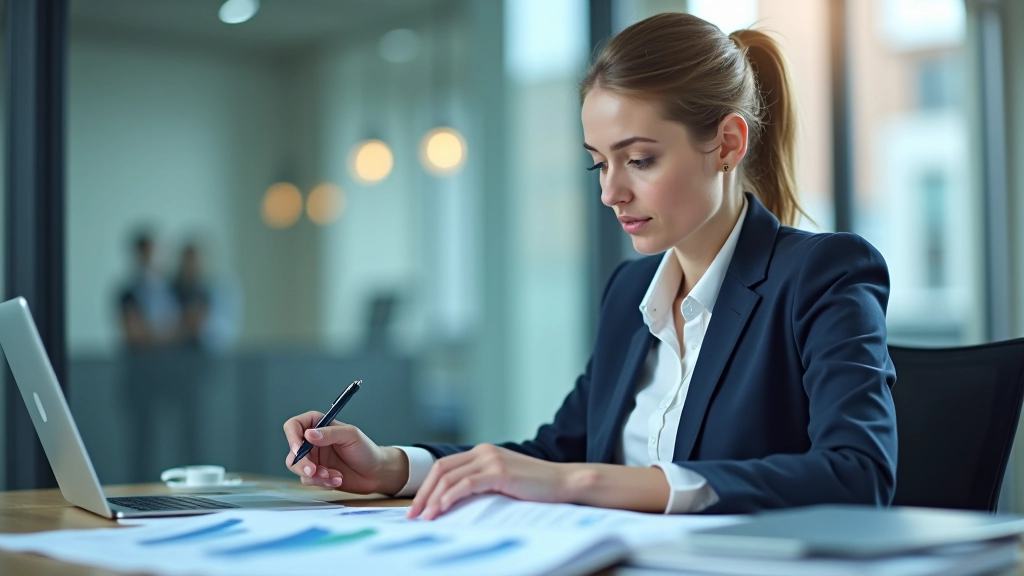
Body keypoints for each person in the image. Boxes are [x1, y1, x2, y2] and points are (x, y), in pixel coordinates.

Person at [283, 12, 898, 518]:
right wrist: (391, 466)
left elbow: (858, 474)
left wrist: (582, 482)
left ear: (727, 145)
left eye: (640, 160)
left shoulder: (823, 274)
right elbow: (558, 452)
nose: (610, 192)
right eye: (599, 163)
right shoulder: (631, 291)